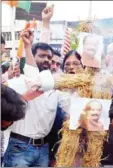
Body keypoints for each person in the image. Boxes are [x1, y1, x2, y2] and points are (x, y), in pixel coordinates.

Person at [3, 23, 70, 167]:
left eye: (49, 57)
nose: (47, 60)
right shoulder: (20, 82)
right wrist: (28, 46)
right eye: (42, 56)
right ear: (32, 58)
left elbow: (72, 106)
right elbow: (33, 72)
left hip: (44, 149)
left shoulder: (56, 90)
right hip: (20, 148)